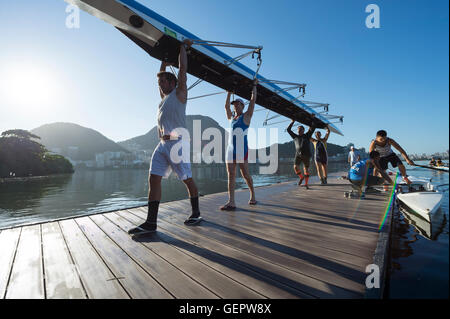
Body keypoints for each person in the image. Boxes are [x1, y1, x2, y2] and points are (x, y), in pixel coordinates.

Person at [128, 40, 202, 236]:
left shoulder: (180, 94)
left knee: (187, 179)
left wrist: (182, 49)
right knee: (154, 178)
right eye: (159, 82)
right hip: (162, 145)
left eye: (163, 81)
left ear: (173, 82)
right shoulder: (164, 100)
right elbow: (160, 80)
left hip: (178, 144)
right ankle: (151, 222)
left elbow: (183, 69)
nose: (160, 85)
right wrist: (162, 61)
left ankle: (196, 213)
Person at [220, 81, 258, 210]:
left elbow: (252, 102)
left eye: (237, 104)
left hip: (242, 150)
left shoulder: (246, 116)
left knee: (245, 174)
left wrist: (254, 86)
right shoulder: (232, 118)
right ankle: (231, 202)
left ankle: (253, 195)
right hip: (230, 149)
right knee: (230, 175)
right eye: (234, 104)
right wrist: (229, 94)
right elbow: (226, 107)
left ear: (242, 105)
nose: (235, 106)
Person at [287, 118, 316, 189]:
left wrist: (312, 118)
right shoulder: (295, 137)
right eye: (298, 129)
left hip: (306, 154)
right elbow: (288, 130)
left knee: (306, 169)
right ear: (297, 130)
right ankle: (301, 177)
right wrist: (292, 122)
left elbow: (313, 127)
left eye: (301, 129)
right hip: (298, 154)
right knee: (295, 167)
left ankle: (306, 184)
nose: (299, 130)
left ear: (303, 130)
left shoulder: (307, 135)